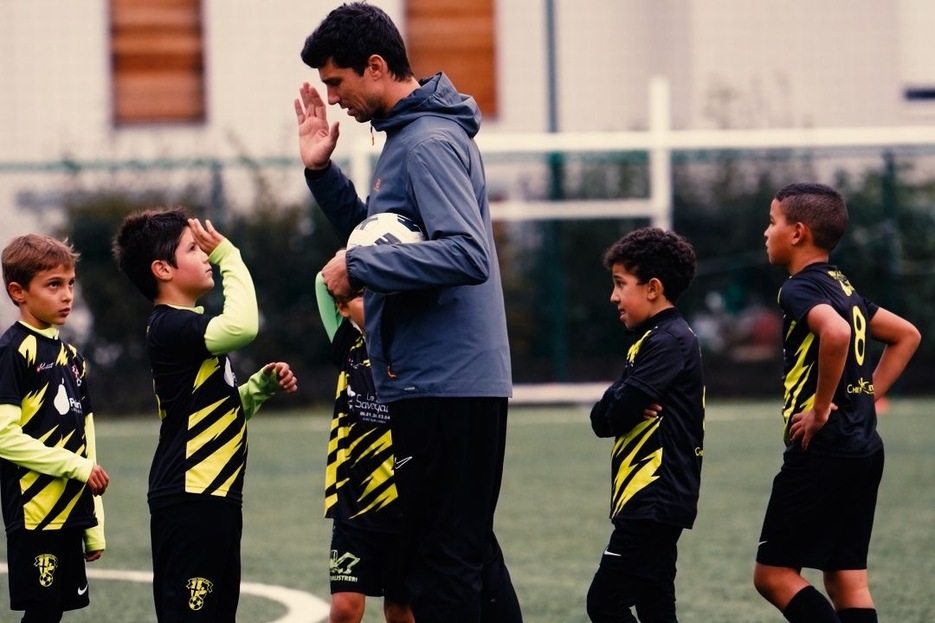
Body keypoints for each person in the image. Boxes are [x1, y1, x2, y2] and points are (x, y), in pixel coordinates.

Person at [295, 4, 521, 622]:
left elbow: (466, 253)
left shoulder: (426, 143)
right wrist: (321, 173)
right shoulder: (409, 138)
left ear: (375, 66)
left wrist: (358, 268)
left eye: (337, 81)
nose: (332, 98)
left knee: (442, 565)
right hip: (439, 380)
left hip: (445, 381)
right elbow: (381, 234)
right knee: (468, 555)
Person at [111, 208, 298, 622]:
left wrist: (258, 389)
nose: (206, 255)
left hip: (215, 498)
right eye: (193, 249)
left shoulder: (189, 330)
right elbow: (243, 327)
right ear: (163, 269)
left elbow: (212, 413)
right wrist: (230, 256)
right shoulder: (170, 326)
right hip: (190, 496)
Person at [754, 182, 921, 623]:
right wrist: (866, 396)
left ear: (798, 232)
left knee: (773, 575)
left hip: (822, 448)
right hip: (864, 447)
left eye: (772, 222)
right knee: (847, 579)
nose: (766, 232)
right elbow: (907, 335)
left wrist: (821, 408)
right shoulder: (844, 287)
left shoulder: (798, 289)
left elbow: (837, 333)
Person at [586, 228, 705, 623]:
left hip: (653, 497)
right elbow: (604, 416)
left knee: (605, 602)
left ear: (653, 288)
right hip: (650, 499)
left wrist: (619, 402)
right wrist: (618, 401)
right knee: (656, 607)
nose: (613, 296)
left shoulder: (668, 341)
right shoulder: (653, 339)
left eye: (621, 284)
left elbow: (616, 413)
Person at [0, 234, 109, 623]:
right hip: (35, 513)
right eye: (53, 285)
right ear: (19, 292)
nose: (67, 295)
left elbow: (86, 440)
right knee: (42, 613)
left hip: (72, 513)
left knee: (54, 612)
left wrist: (94, 526)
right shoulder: (13, 352)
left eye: (70, 284)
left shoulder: (73, 359)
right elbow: (4, 437)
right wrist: (75, 467)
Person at [315, 272, 413, 623]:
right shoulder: (347, 346)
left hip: (404, 506)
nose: (370, 301)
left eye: (376, 293)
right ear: (342, 308)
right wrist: (352, 259)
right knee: (344, 608)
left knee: (401, 610)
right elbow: (321, 281)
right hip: (353, 504)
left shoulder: (410, 347)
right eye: (359, 295)